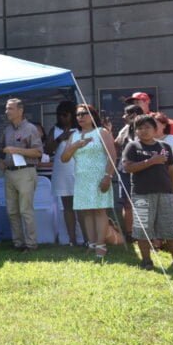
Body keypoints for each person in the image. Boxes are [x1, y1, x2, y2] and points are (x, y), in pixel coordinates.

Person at [61, 104, 117, 262]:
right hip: (82, 178)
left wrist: (108, 176)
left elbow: (112, 155)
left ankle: (101, 245)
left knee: (99, 211)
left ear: (93, 115)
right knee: (86, 211)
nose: (80, 117)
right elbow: (64, 159)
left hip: (99, 176)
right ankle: (91, 244)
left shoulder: (102, 132)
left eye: (84, 114)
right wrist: (74, 146)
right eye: (78, 114)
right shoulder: (74, 135)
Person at [122, 115, 173, 270]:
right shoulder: (133, 147)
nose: (143, 131)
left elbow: (171, 170)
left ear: (155, 129)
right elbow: (128, 167)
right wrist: (151, 161)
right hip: (142, 194)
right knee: (142, 230)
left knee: (171, 229)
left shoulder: (165, 147)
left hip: (166, 194)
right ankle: (146, 261)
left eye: (147, 127)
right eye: (139, 128)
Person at [0, 98, 43, 252]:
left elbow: (38, 152)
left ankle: (31, 244)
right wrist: (2, 161)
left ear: (20, 110)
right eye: (6, 108)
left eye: (10, 108)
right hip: (10, 172)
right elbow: (1, 149)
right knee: (12, 211)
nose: (7, 112)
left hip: (25, 171)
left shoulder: (30, 129)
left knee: (25, 210)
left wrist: (17, 150)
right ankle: (18, 243)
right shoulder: (7, 129)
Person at [45, 101, 82, 246]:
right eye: (59, 115)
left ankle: (85, 239)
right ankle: (72, 239)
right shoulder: (55, 129)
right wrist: (61, 137)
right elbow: (47, 150)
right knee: (67, 206)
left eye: (65, 115)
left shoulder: (80, 129)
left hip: (79, 169)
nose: (62, 118)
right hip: (62, 170)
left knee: (82, 206)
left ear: (72, 115)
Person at [114, 104, 144, 242]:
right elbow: (117, 143)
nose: (123, 117)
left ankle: (147, 234)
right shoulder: (125, 129)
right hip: (125, 169)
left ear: (135, 115)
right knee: (127, 202)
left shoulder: (145, 127)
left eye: (127, 114)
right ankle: (129, 233)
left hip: (143, 168)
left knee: (144, 202)